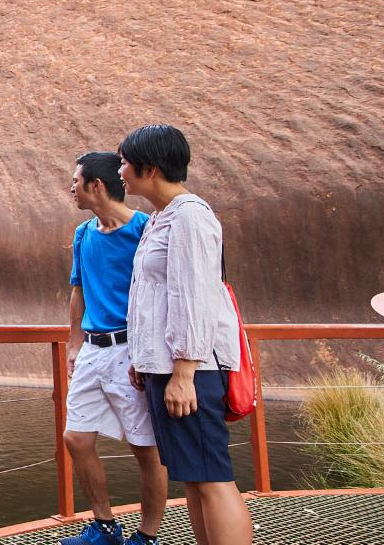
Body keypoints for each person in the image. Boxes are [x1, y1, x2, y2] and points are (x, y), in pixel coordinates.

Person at [119, 125, 252, 545]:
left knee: (212, 477)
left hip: (192, 370)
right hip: (167, 366)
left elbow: (193, 297)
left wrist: (183, 373)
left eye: (125, 162)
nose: (121, 170)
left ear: (150, 167)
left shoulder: (191, 216)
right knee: (194, 478)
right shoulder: (162, 218)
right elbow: (152, 296)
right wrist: (142, 360)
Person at [61, 152, 167, 545]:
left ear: (96, 186)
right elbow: (79, 291)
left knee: (146, 450)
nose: (71, 188)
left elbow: (159, 294)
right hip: (92, 349)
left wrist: (149, 354)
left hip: (132, 352)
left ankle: (148, 537)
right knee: (76, 437)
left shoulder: (145, 229)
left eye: (76, 181)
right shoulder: (84, 233)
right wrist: (74, 344)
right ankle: (105, 527)